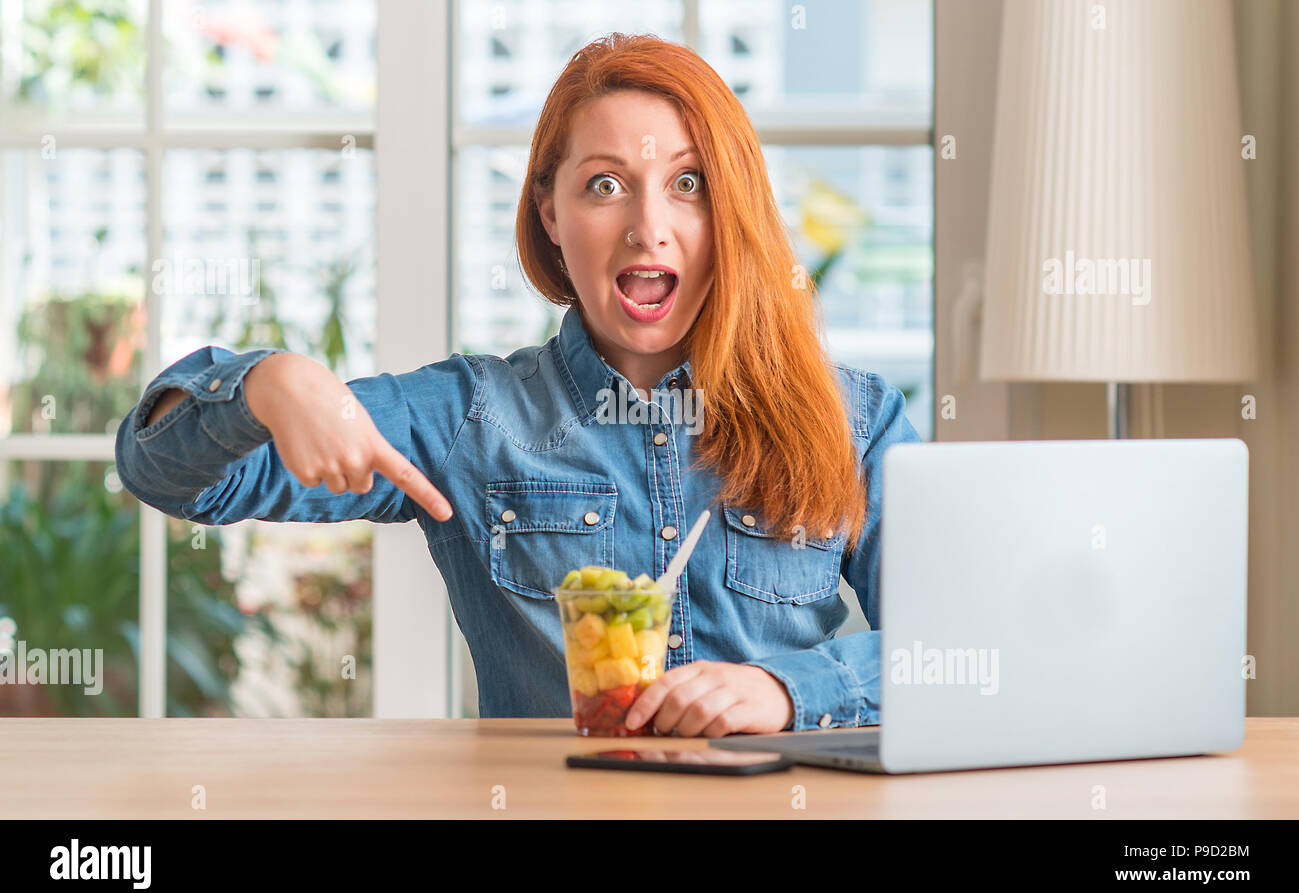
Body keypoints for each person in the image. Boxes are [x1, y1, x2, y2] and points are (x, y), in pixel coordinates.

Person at [115, 32, 921, 737]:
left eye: (689, 183)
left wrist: (786, 689)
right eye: (604, 185)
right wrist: (263, 384)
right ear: (549, 213)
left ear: (734, 208)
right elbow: (168, 475)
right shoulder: (471, 419)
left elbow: (955, 647)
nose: (649, 225)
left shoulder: (856, 420)